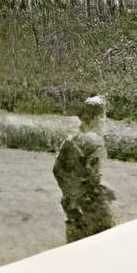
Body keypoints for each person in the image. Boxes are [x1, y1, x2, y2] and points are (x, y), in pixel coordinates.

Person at [53, 96, 113, 242]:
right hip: (90, 206)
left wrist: (71, 193)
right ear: (99, 118)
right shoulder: (96, 143)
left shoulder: (71, 139)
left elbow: (57, 170)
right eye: (104, 117)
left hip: (71, 205)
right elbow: (94, 176)